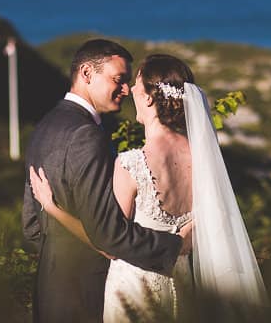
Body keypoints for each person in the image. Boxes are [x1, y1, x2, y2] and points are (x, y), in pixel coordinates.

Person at [31, 53, 267, 322]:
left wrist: (52, 207)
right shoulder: (204, 158)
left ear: (148, 97)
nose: (130, 89)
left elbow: (110, 242)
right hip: (183, 284)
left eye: (137, 83)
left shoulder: (132, 164)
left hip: (135, 290)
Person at [22, 39, 189, 323]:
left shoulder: (45, 126)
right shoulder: (87, 136)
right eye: (118, 79)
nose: (125, 90)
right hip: (87, 294)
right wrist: (175, 246)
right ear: (87, 73)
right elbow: (108, 235)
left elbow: (31, 227)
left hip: (52, 290)